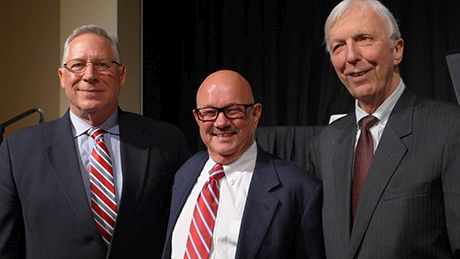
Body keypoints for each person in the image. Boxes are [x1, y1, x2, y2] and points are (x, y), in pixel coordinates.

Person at [0, 24, 191, 258]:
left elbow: (186, 232)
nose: (89, 76)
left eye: (102, 65)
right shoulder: (18, 151)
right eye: (78, 65)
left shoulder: (166, 142)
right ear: (62, 77)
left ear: (121, 75)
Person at [309, 0, 460, 258]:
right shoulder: (325, 143)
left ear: (397, 50)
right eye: (338, 47)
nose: (351, 56)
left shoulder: (449, 129)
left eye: (364, 39)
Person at [162, 69, 325, 259]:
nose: (221, 122)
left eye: (233, 110)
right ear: (198, 118)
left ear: (255, 113)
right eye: (209, 113)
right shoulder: (185, 172)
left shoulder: (299, 189)